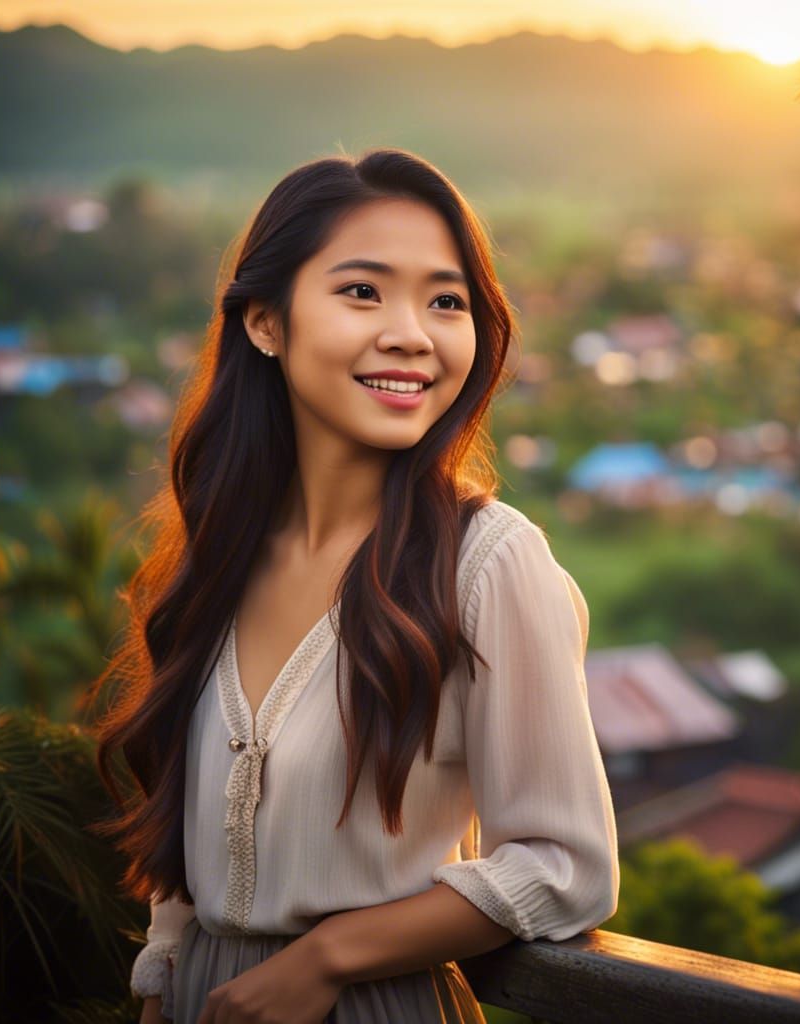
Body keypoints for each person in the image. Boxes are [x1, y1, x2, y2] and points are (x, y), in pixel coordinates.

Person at [92, 147, 619, 1024]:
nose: (411, 332)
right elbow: (185, 863)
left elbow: (566, 865)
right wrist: (163, 982)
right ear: (266, 320)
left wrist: (327, 960)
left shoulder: (488, 564)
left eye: (445, 301)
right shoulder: (218, 553)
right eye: (363, 291)